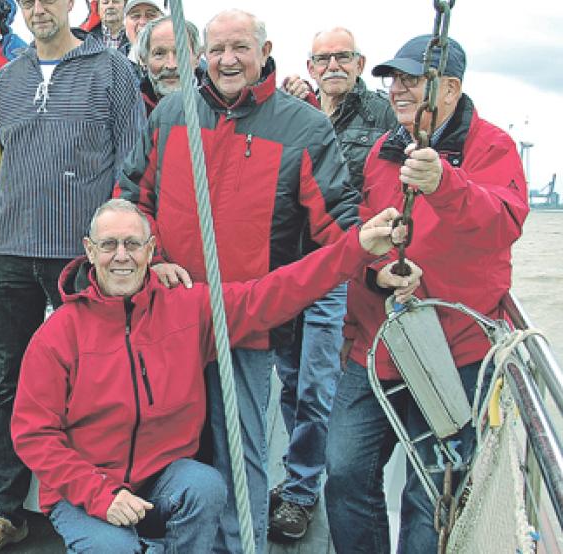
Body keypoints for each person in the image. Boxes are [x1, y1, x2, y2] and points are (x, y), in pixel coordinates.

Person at [11, 199, 407, 553]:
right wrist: (100, 495)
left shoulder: (189, 309)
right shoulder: (59, 334)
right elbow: (34, 433)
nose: (121, 256)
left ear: (150, 251)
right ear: (89, 251)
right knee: (112, 547)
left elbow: (274, 293)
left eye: (132, 244)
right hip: (84, 489)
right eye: (109, 245)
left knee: (204, 486)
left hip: (160, 481)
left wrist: (354, 251)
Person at [118, 9, 359, 553]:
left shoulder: (304, 128)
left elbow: (337, 225)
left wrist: (382, 261)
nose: (228, 59)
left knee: (241, 446)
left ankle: (239, 544)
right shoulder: (171, 114)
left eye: (240, 48)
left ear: (265, 50)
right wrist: (151, 256)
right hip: (169, 314)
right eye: (218, 48)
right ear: (202, 53)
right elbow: (134, 198)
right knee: (161, 439)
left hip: (246, 324)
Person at [325, 35, 529, 554]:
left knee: (432, 494)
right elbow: (364, 230)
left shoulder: (494, 146)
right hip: (376, 345)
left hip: (455, 353)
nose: (397, 90)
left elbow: (504, 223)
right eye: (394, 79)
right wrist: (375, 274)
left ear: (452, 87)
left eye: (412, 80)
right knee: (344, 473)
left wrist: (446, 183)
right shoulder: (382, 150)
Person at [0, 0, 144, 552]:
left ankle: (98, 504)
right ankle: (7, 510)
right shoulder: (9, 78)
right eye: (30, 0)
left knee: (94, 385)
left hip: (80, 260)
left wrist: (114, 252)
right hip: (11, 251)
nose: (39, 8)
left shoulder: (112, 70)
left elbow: (131, 163)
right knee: (10, 384)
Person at [267, 27, 396, 542]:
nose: (333, 65)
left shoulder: (381, 115)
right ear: (311, 65)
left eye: (343, 56)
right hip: (286, 268)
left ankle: (299, 493)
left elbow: (378, 191)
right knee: (291, 378)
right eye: (323, 58)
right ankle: (300, 474)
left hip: (335, 268)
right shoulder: (292, 108)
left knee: (319, 384)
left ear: (360, 61)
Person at [132, 15, 200, 115]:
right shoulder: (131, 109)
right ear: (143, 59)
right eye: (159, 54)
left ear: (197, 58)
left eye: (181, 53)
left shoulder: (218, 107)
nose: (171, 65)